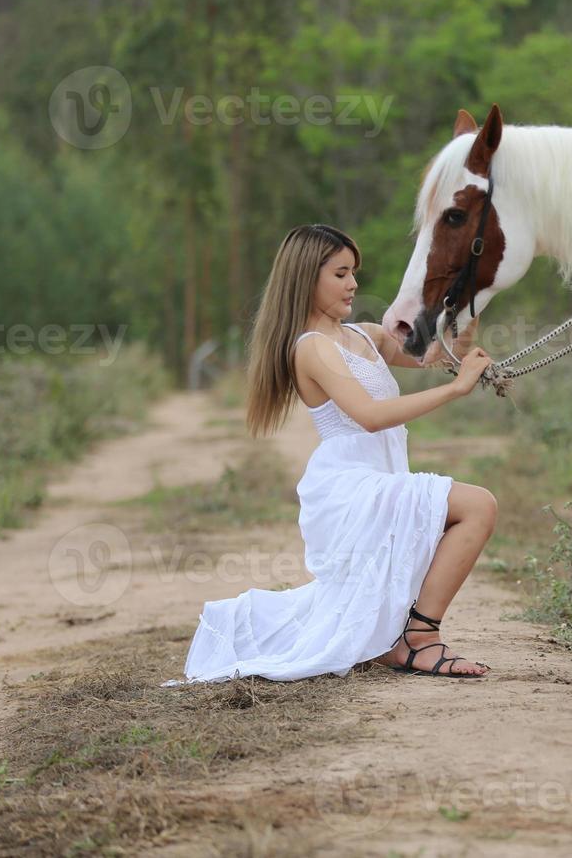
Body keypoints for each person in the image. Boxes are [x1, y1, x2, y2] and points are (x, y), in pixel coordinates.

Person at [176, 224, 498, 682]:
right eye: (341, 273)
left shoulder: (367, 336)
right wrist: (457, 390)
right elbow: (369, 415)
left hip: (380, 478)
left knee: (467, 511)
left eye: (354, 273)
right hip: (350, 489)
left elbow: (442, 354)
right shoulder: (310, 349)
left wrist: (471, 299)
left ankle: (407, 639)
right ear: (307, 277)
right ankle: (418, 641)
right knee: (478, 505)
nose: (353, 284)